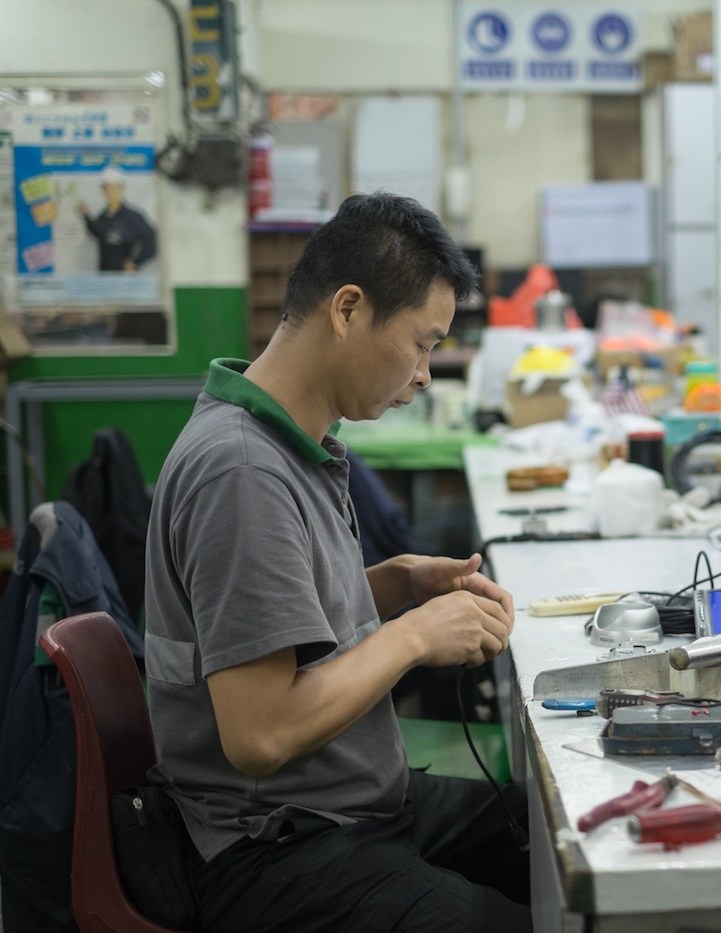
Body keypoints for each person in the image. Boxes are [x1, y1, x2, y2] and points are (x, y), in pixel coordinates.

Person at [144, 193, 530, 932]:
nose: (424, 374)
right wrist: (414, 636)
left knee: (562, 831)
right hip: (277, 845)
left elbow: (268, 620)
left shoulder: (287, 442)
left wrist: (391, 586)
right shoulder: (242, 471)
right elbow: (260, 733)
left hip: (354, 799)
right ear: (348, 309)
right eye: (421, 344)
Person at [77, 165, 157, 272]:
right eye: (106, 189)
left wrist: (136, 262)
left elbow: (152, 240)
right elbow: (98, 233)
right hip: (104, 275)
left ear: (121, 189)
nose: (110, 192)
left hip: (123, 278)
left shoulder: (133, 216)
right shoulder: (104, 216)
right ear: (103, 191)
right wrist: (85, 215)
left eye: (113, 188)